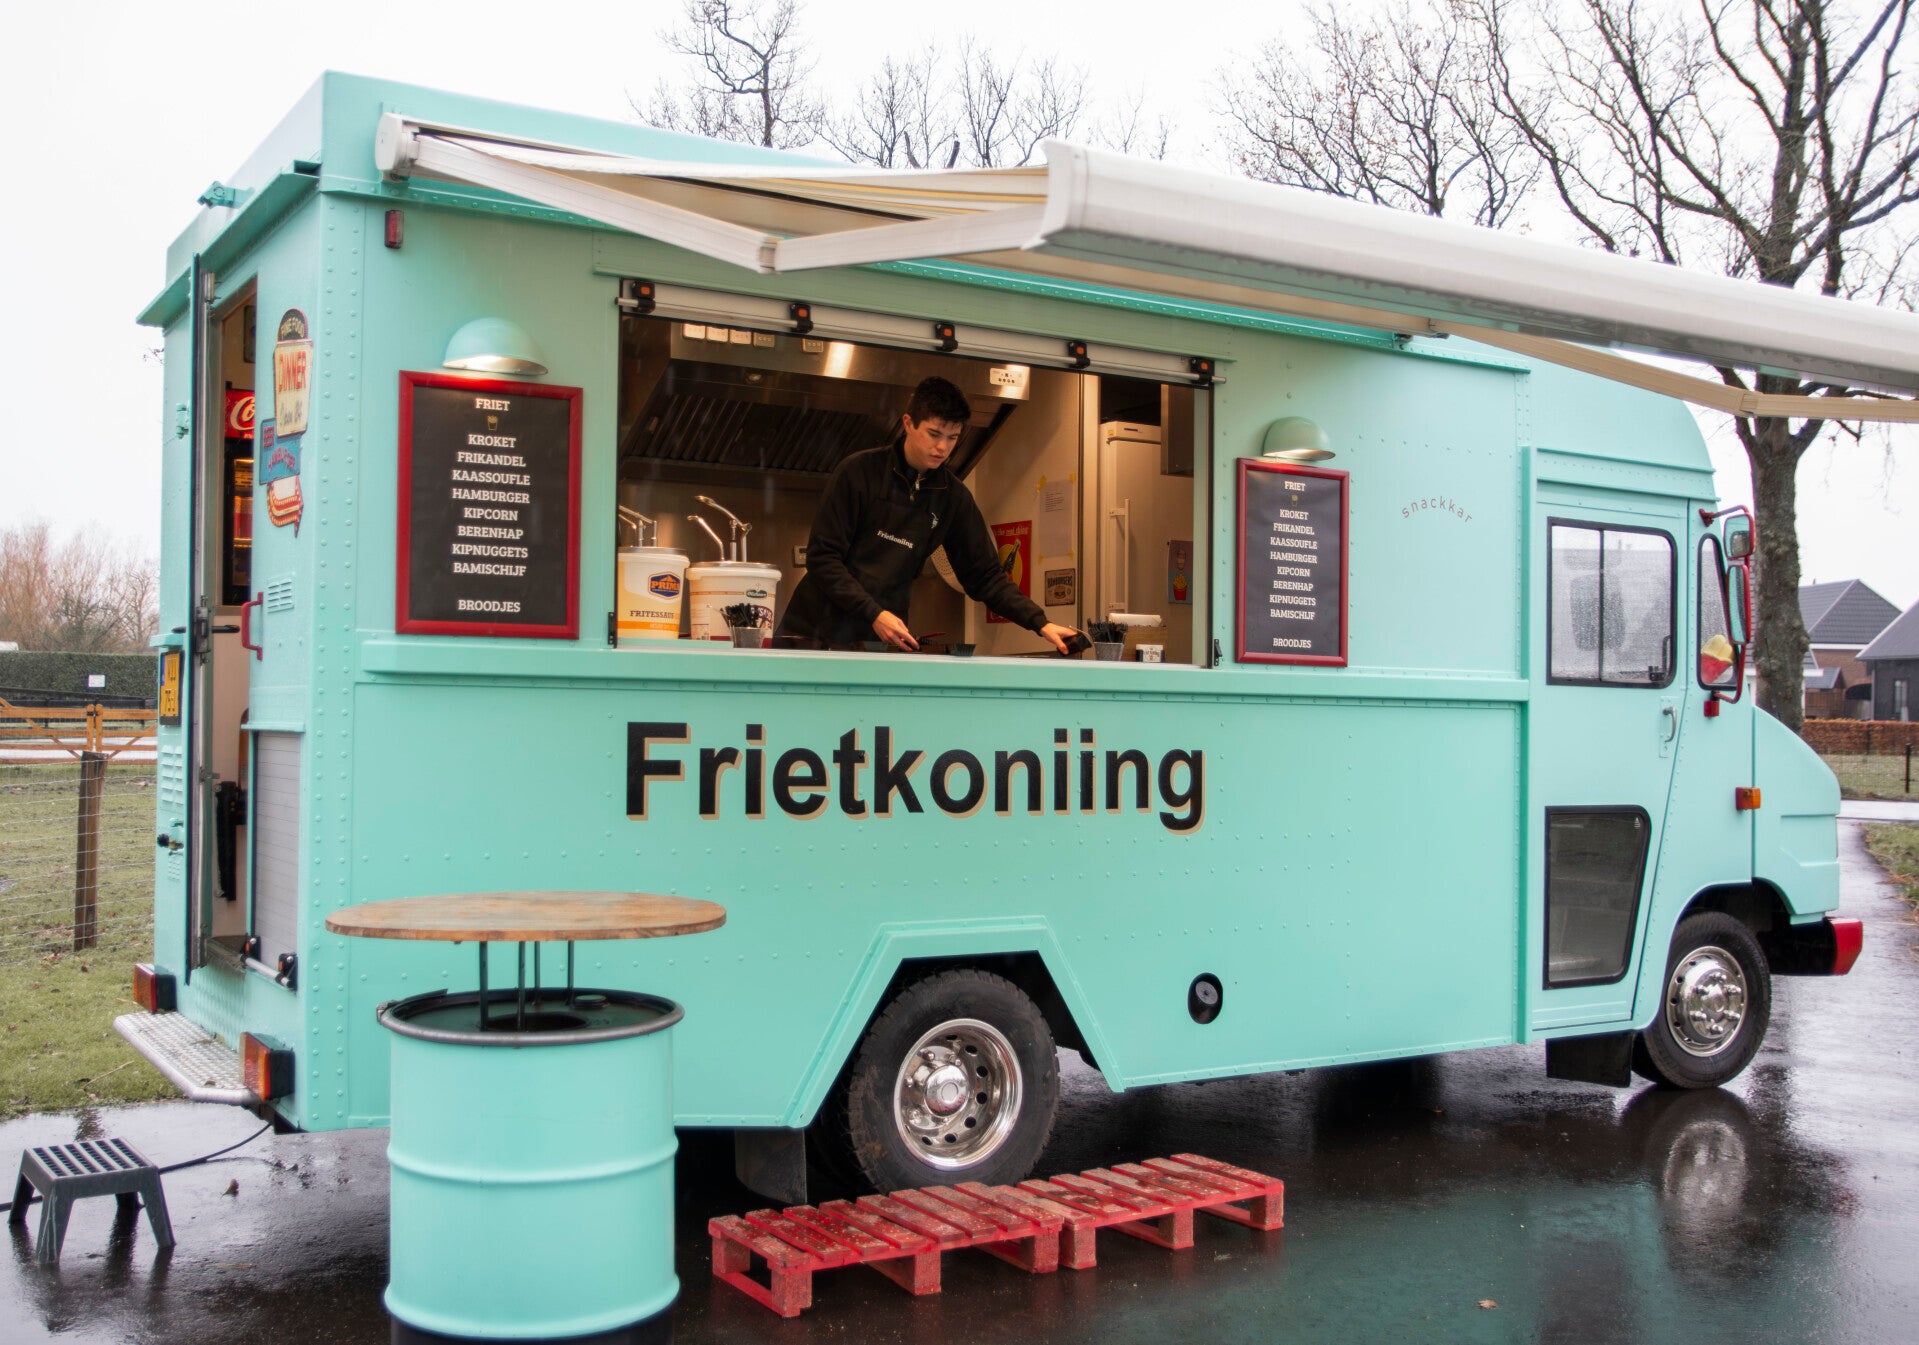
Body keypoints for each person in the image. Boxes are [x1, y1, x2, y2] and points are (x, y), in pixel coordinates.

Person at [777, 377, 1079, 654]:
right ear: (908, 423)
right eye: (934, 434)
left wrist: (1040, 623)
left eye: (953, 437)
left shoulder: (952, 497)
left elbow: (985, 576)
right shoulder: (858, 473)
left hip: (880, 644)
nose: (942, 447)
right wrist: (874, 613)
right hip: (813, 636)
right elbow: (823, 558)